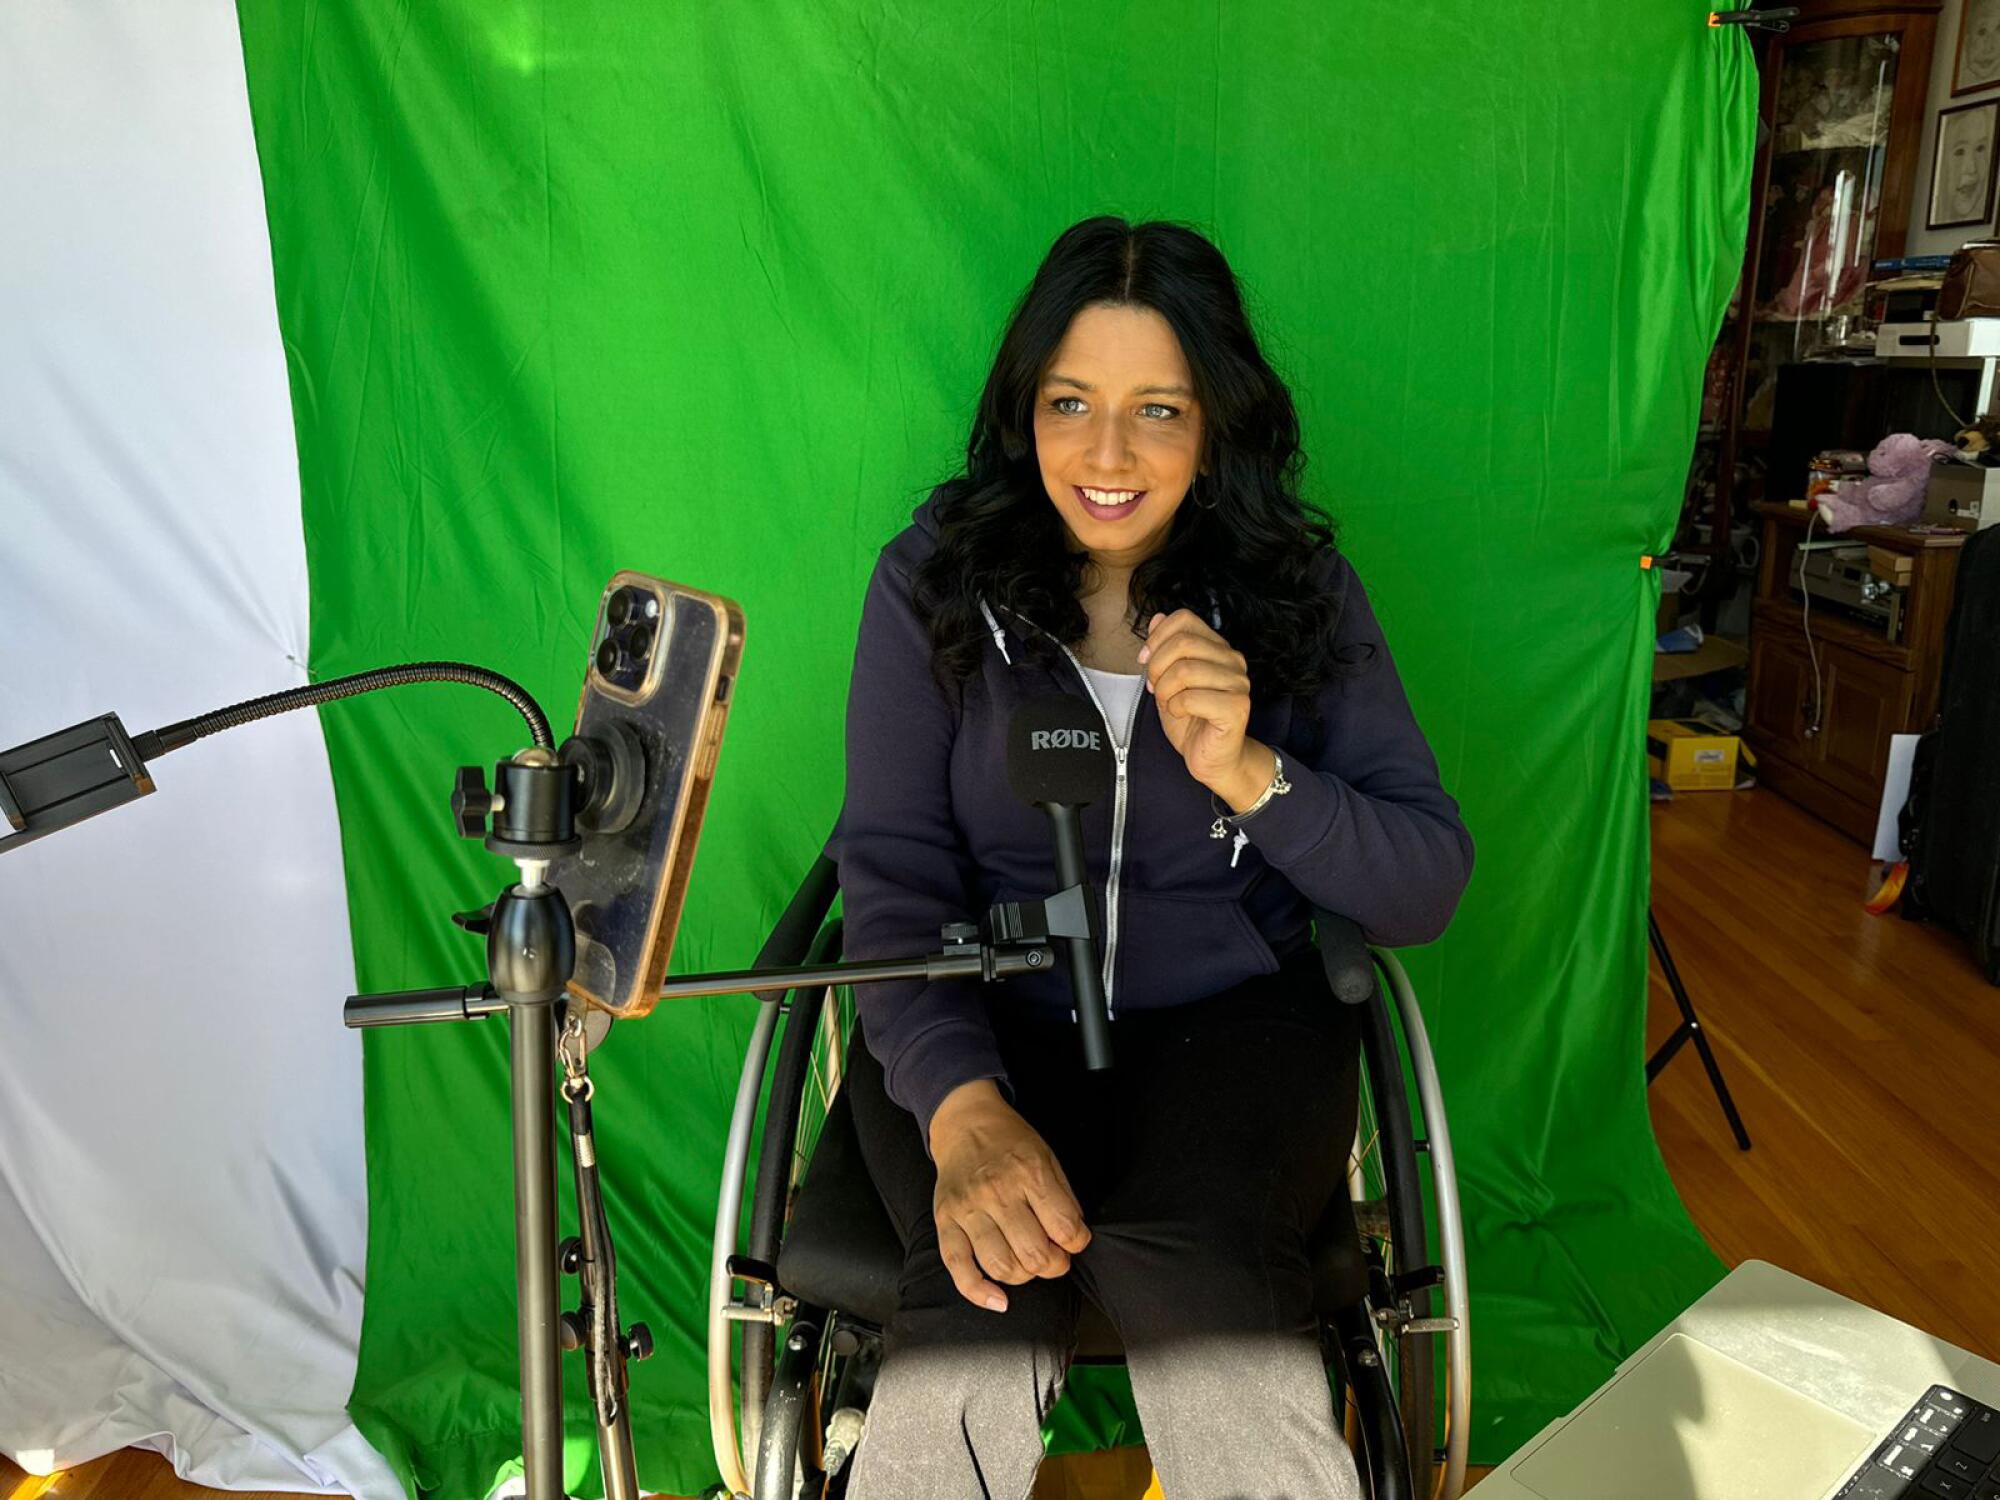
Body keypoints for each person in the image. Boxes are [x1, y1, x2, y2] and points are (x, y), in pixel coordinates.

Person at [832, 216, 1473, 1499]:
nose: (1106, 455)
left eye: (1158, 412)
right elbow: (892, 869)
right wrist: (959, 1106)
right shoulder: (928, 584)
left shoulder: (1301, 593)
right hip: (981, 1015)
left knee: (1206, 1289)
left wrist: (1248, 769)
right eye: (1069, 402)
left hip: (1233, 1028)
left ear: (1216, 425)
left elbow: (1422, 882)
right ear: (1023, 411)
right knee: (979, 1301)